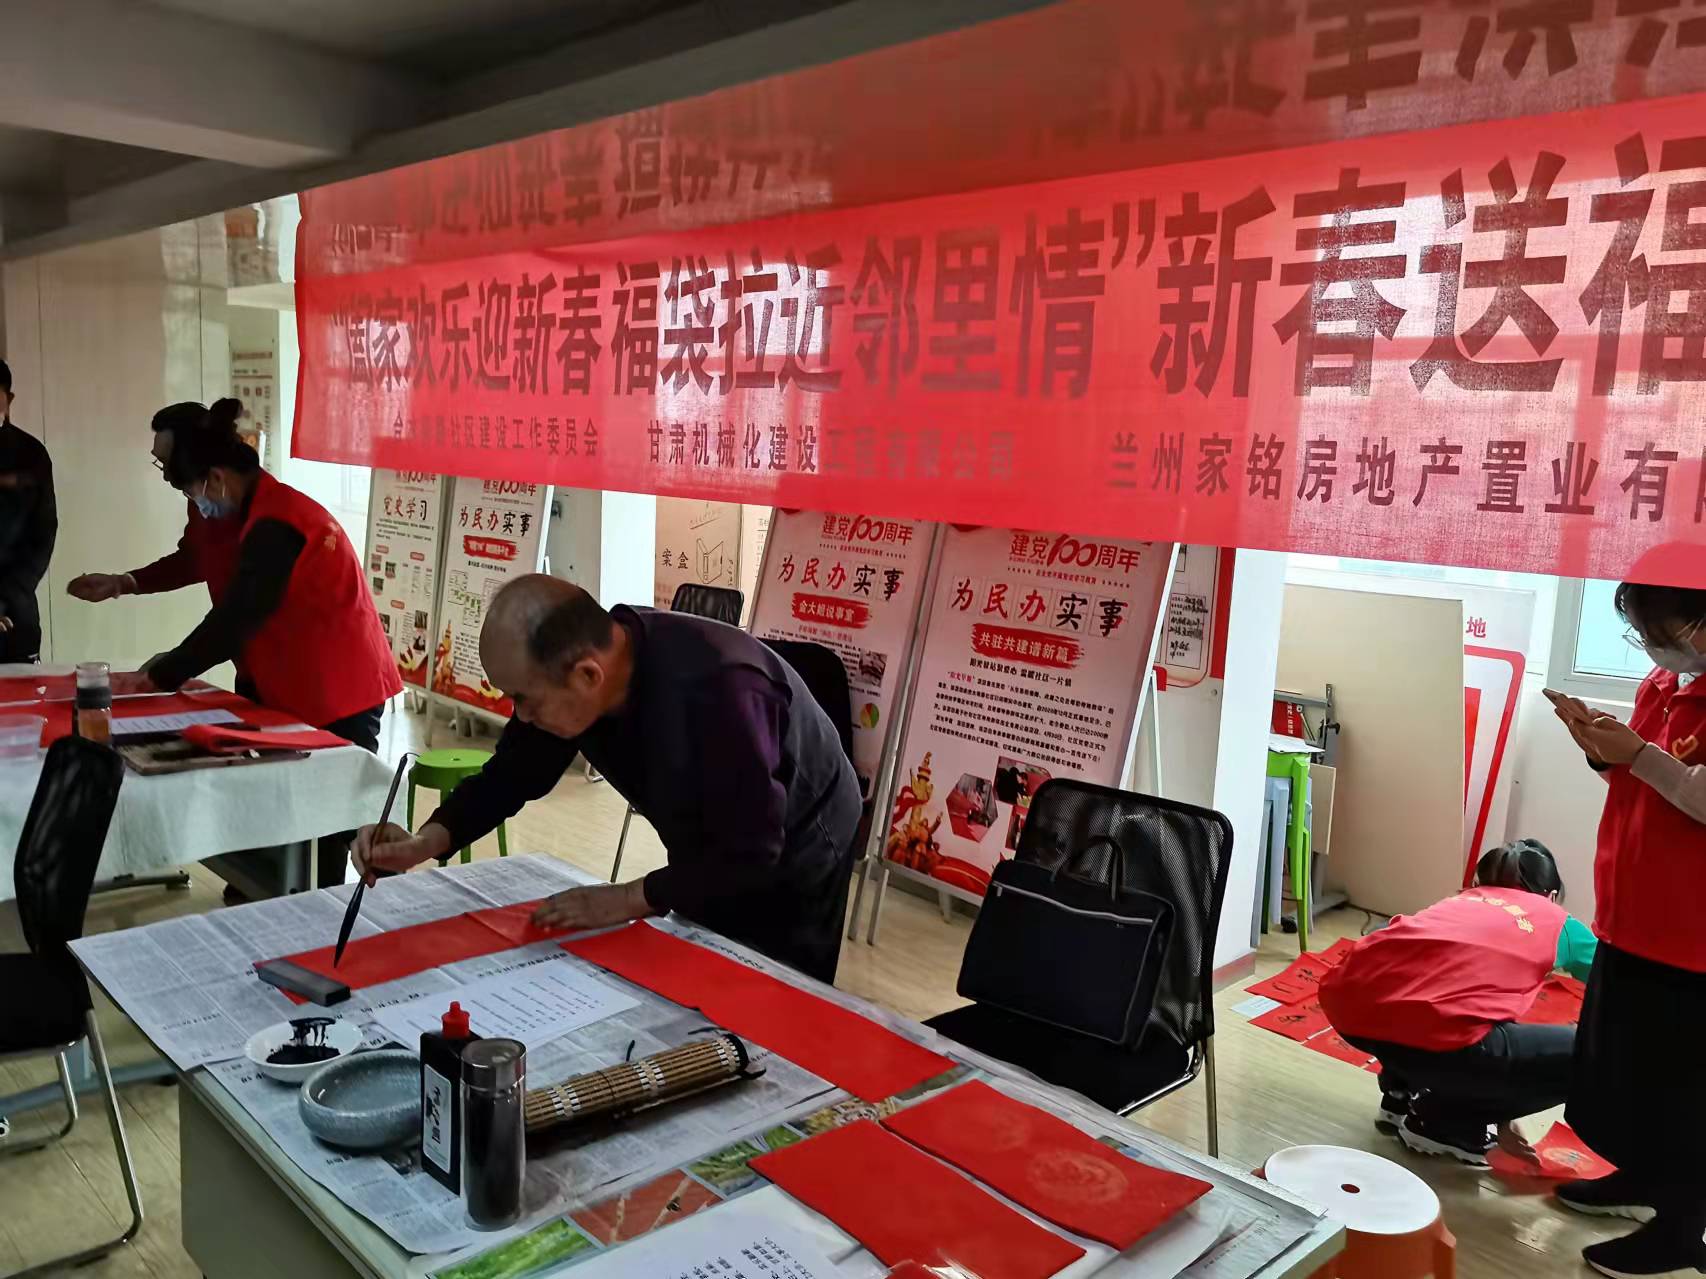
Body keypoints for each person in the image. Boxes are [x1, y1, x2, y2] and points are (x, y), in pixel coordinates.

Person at [353, 575, 863, 983]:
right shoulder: (580, 672)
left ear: (587, 675)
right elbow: (513, 772)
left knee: (771, 986)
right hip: (717, 828)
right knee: (702, 956)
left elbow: (749, 851)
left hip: (803, 833)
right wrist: (425, 841)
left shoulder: (718, 692)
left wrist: (626, 899)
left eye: (524, 700)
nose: (520, 715)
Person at [70, 399, 401, 888]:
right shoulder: (215, 503)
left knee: (332, 814)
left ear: (215, 477)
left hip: (337, 685)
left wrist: (160, 675)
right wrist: (127, 582)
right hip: (274, 676)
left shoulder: (280, 521)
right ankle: (260, 889)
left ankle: (329, 905)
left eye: (173, 472)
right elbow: (195, 559)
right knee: (268, 793)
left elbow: (236, 618)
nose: (175, 485)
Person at [1549, 581, 1706, 1279]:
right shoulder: (1665, 683)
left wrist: (1638, 753)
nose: (1655, 648)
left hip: (1693, 937)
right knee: (1626, 1072)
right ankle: (1641, 1180)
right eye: (1644, 634)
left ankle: (1681, 1233)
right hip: (1633, 912)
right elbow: (1637, 780)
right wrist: (1600, 746)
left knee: (1683, 1092)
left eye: (1666, 632)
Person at [1318, 840, 1594, 1167]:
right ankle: (1445, 1124)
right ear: (1551, 896)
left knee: (1432, 994)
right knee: (1595, 1051)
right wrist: (1502, 1108)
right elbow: (1618, 983)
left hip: (1349, 1009)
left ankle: (1399, 1095)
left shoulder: (1460, 901)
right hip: (1439, 1036)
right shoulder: (1558, 922)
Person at [67, 401, 239, 613]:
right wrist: (121, 583)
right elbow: (195, 561)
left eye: (168, 463)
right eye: (160, 463)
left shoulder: (262, 509)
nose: (166, 476)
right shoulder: (202, 498)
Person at [0, 360, 56, 663]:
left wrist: (6, 597)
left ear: (8, 399)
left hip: (14, 613)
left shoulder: (30, 453)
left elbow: (42, 534)